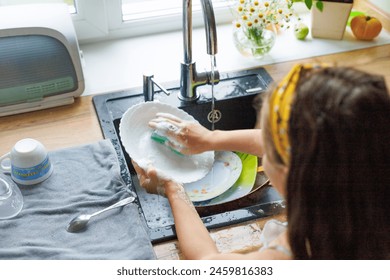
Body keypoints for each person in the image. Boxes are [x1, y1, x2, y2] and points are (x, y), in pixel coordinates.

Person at [133, 64, 390, 259]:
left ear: (290, 171)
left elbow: (206, 260)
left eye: (267, 146)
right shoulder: (366, 175)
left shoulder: (289, 256)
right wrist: (211, 138)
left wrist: (172, 186)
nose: (261, 145)